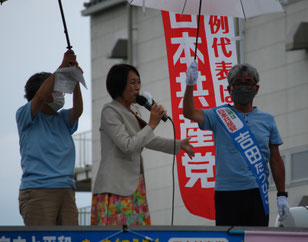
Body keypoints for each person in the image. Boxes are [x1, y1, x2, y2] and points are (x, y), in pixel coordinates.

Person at [183, 63, 289, 226]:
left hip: (257, 192)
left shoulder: (268, 120)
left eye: (248, 83)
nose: (243, 87)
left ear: (256, 89)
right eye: (238, 83)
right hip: (226, 193)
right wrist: (190, 85)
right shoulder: (218, 115)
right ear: (229, 89)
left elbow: (275, 158)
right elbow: (189, 112)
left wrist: (282, 194)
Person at [91, 64, 194, 226]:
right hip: (115, 187)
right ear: (119, 85)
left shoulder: (134, 111)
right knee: (117, 235)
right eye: (133, 83)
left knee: (138, 234)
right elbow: (127, 145)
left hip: (134, 186)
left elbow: (148, 139)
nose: (138, 87)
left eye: (139, 82)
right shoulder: (110, 111)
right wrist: (152, 123)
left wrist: (179, 145)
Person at [16, 50, 83, 226]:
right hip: (38, 190)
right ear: (45, 94)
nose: (61, 95)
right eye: (56, 90)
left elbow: (78, 110)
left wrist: (75, 80)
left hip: (66, 190)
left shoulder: (62, 118)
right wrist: (61, 67)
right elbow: (38, 98)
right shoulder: (25, 116)